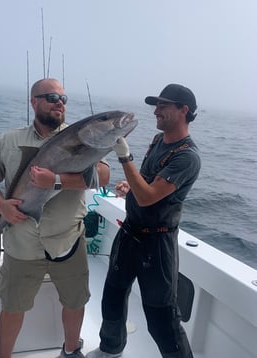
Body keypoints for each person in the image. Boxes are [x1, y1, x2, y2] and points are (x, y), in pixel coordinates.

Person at [0, 78, 110, 358]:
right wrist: (1, 205)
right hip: (22, 241)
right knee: (13, 307)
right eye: (50, 97)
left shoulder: (82, 138)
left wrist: (57, 181)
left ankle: (71, 351)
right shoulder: (10, 140)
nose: (59, 102)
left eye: (63, 98)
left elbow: (103, 178)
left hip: (67, 240)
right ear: (33, 101)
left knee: (75, 302)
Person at [86, 84, 201, 358]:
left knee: (161, 318)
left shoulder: (188, 157)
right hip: (129, 234)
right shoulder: (159, 141)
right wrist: (130, 186)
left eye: (163, 105)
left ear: (183, 110)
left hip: (156, 244)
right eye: (156, 105)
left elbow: (149, 197)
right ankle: (110, 350)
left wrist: (125, 157)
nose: (156, 111)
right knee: (112, 297)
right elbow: (147, 185)